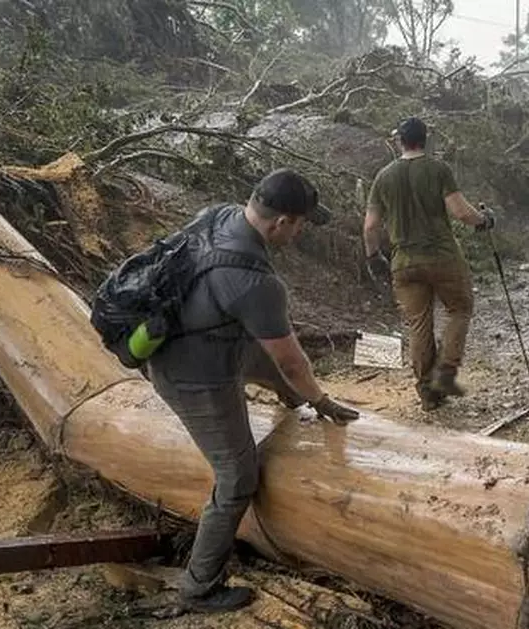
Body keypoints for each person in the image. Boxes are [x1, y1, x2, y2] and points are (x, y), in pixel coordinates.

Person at [144, 168, 360, 613]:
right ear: (282, 222)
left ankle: (293, 398)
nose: (300, 233)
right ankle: (199, 587)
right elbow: (291, 361)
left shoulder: (219, 215)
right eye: (300, 224)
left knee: (273, 357)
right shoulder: (256, 283)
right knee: (238, 477)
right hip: (194, 377)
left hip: (201, 339)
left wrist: (298, 389)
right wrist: (320, 399)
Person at [363, 117, 494, 411]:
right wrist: (484, 220)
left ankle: (427, 392)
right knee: (460, 309)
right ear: (426, 140)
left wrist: (373, 257)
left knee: (419, 323)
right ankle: (445, 374)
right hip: (443, 256)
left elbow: (371, 226)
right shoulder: (438, 169)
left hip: (404, 262)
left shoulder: (383, 176)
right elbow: (461, 212)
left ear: (400, 141)